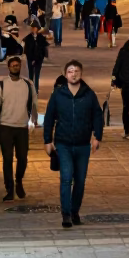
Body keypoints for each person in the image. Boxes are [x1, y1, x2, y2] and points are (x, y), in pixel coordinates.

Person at [43, 59, 104, 228]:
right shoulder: (58, 95)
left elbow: (97, 116)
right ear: (65, 74)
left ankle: (75, 210)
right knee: (66, 178)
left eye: (76, 71)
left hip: (83, 145)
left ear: (81, 74)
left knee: (80, 180)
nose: (74, 74)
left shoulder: (89, 95)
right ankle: (66, 214)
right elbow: (49, 118)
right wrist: (47, 140)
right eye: (70, 71)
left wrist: (97, 137)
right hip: (63, 144)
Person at [0, 55, 38, 202]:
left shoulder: (28, 84)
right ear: (9, 67)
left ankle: (19, 181)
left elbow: (33, 104)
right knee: (7, 159)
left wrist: (33, 121)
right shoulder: (2, 84)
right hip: (5, 127)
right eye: (13, 65)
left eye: (18, 65)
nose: (16, 67)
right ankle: (9, 188)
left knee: (22, 158)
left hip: (22, 126)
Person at [23, 23, 50, 95]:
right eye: (32, 28)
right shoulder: (28, 38)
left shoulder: (41, 37)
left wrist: (43, 56)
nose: (33, 29)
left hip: (38, 59)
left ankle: (36, 90)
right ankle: (31, 89)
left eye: (35, 28)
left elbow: (44, 47)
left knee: (37, 75)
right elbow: (26, 50)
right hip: (30, 59)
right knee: (31, 75)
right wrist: (31, 59)